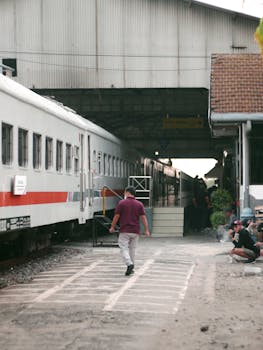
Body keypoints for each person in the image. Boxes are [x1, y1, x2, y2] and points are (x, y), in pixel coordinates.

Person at [109, 186, 150, 276]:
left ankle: (129, 263)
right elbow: (143, 218)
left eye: (124, 192)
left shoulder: (121, 203)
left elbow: (116, 216)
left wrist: (112, 227)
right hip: (135, 231)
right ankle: (131, 268)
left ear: (127, 192)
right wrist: (146, 230)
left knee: (123, 248)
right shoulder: (139, 204)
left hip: (124, 230)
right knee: (132, 250)